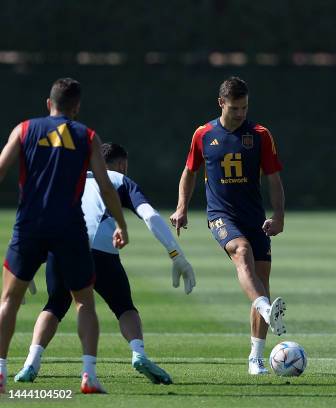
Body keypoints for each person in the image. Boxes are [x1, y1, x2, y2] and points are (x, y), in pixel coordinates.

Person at [14, 142, 195, 385]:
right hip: (100, 252)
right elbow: (150, 216)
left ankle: (30, 363)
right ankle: (138, 354)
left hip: (61, 249)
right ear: (121, 165)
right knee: (124, 307)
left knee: (55, 305)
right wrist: (176, 255)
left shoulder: (67, 180)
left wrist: (26, 265)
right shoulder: (120, 180)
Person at [0, 78, 129, 394]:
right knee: (84, 301)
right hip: (69, 229)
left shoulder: (25, 129)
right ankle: (88, 376)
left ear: (49, 103)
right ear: (77, 107)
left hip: (29, 225)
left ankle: (1, 372)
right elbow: (105, 185)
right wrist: (122, 224)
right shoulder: (87, 137)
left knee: (9, 299)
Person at [170, 76, 286, 375]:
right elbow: (189, 172)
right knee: (241, 251)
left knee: (262, 281)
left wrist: (280, 216)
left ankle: (256, 357)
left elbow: (273, 178)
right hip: (220, 215)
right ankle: (265, 308)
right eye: (235, 108)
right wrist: (182, 207)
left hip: (254, 216)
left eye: (245, 107)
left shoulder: (260, 135)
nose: (241, 113)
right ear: (221, 103)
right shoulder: (203, 134)